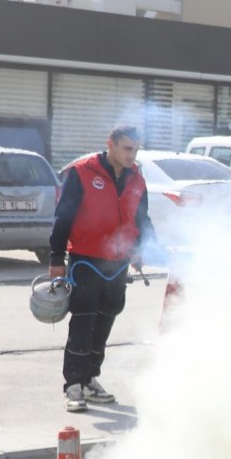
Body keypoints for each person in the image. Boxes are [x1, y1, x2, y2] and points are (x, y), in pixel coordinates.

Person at [48, 124, 155, 413]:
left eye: (136, 149)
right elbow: (63, 216)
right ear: (111, 144)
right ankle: (73, 385)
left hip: (118, 262)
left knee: (106, 319)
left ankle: (90, 379)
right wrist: (57, 257)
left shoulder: (137, 180)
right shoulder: (83, 172)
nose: (132, 155)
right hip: (86, 259)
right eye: (127, 148)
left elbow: (142, 218)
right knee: (83, 321)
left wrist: (141, 250)